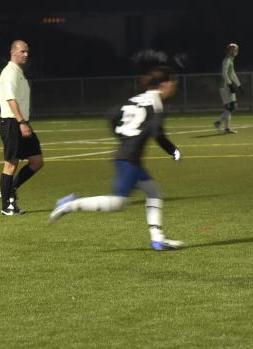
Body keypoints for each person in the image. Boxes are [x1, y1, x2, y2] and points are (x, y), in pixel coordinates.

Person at [49, 67, 183, 250]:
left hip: (127, 156)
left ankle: (158, 239)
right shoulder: (156, 102)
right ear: (164, 84)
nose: (172, 89)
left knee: (154, 192)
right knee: (118, 203)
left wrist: (122, 135)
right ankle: (69, 204)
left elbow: (111, 115)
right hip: (129, 159)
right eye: (172, 85)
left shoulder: (137, 98)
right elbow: (157, 133)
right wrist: (173, 151)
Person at [0, 40, 43, 215]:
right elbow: (10, 99)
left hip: (21, 122)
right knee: (10, 164)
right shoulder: (9, 72)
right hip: (12, 122)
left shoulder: (18, 72)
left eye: (27, 51)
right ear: (13, 52)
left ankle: (11, 189)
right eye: (23, 51)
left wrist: (24, 122)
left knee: (37, 161)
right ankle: (6, 207)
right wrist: (21, 122)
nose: (26, 54)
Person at [214, 43, 243, 134]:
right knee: (232, 106)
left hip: (226, 85)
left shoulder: (230, 60)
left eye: (234, 50)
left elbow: (232, 74)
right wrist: (230, 85)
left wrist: (239, 85)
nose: (233, 51)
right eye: (231, 50)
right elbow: (224, 73)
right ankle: (219, 122)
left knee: (230, 107)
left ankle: (226, 127)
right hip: (224, 86)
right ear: (228, 51)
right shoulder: (226, 60)